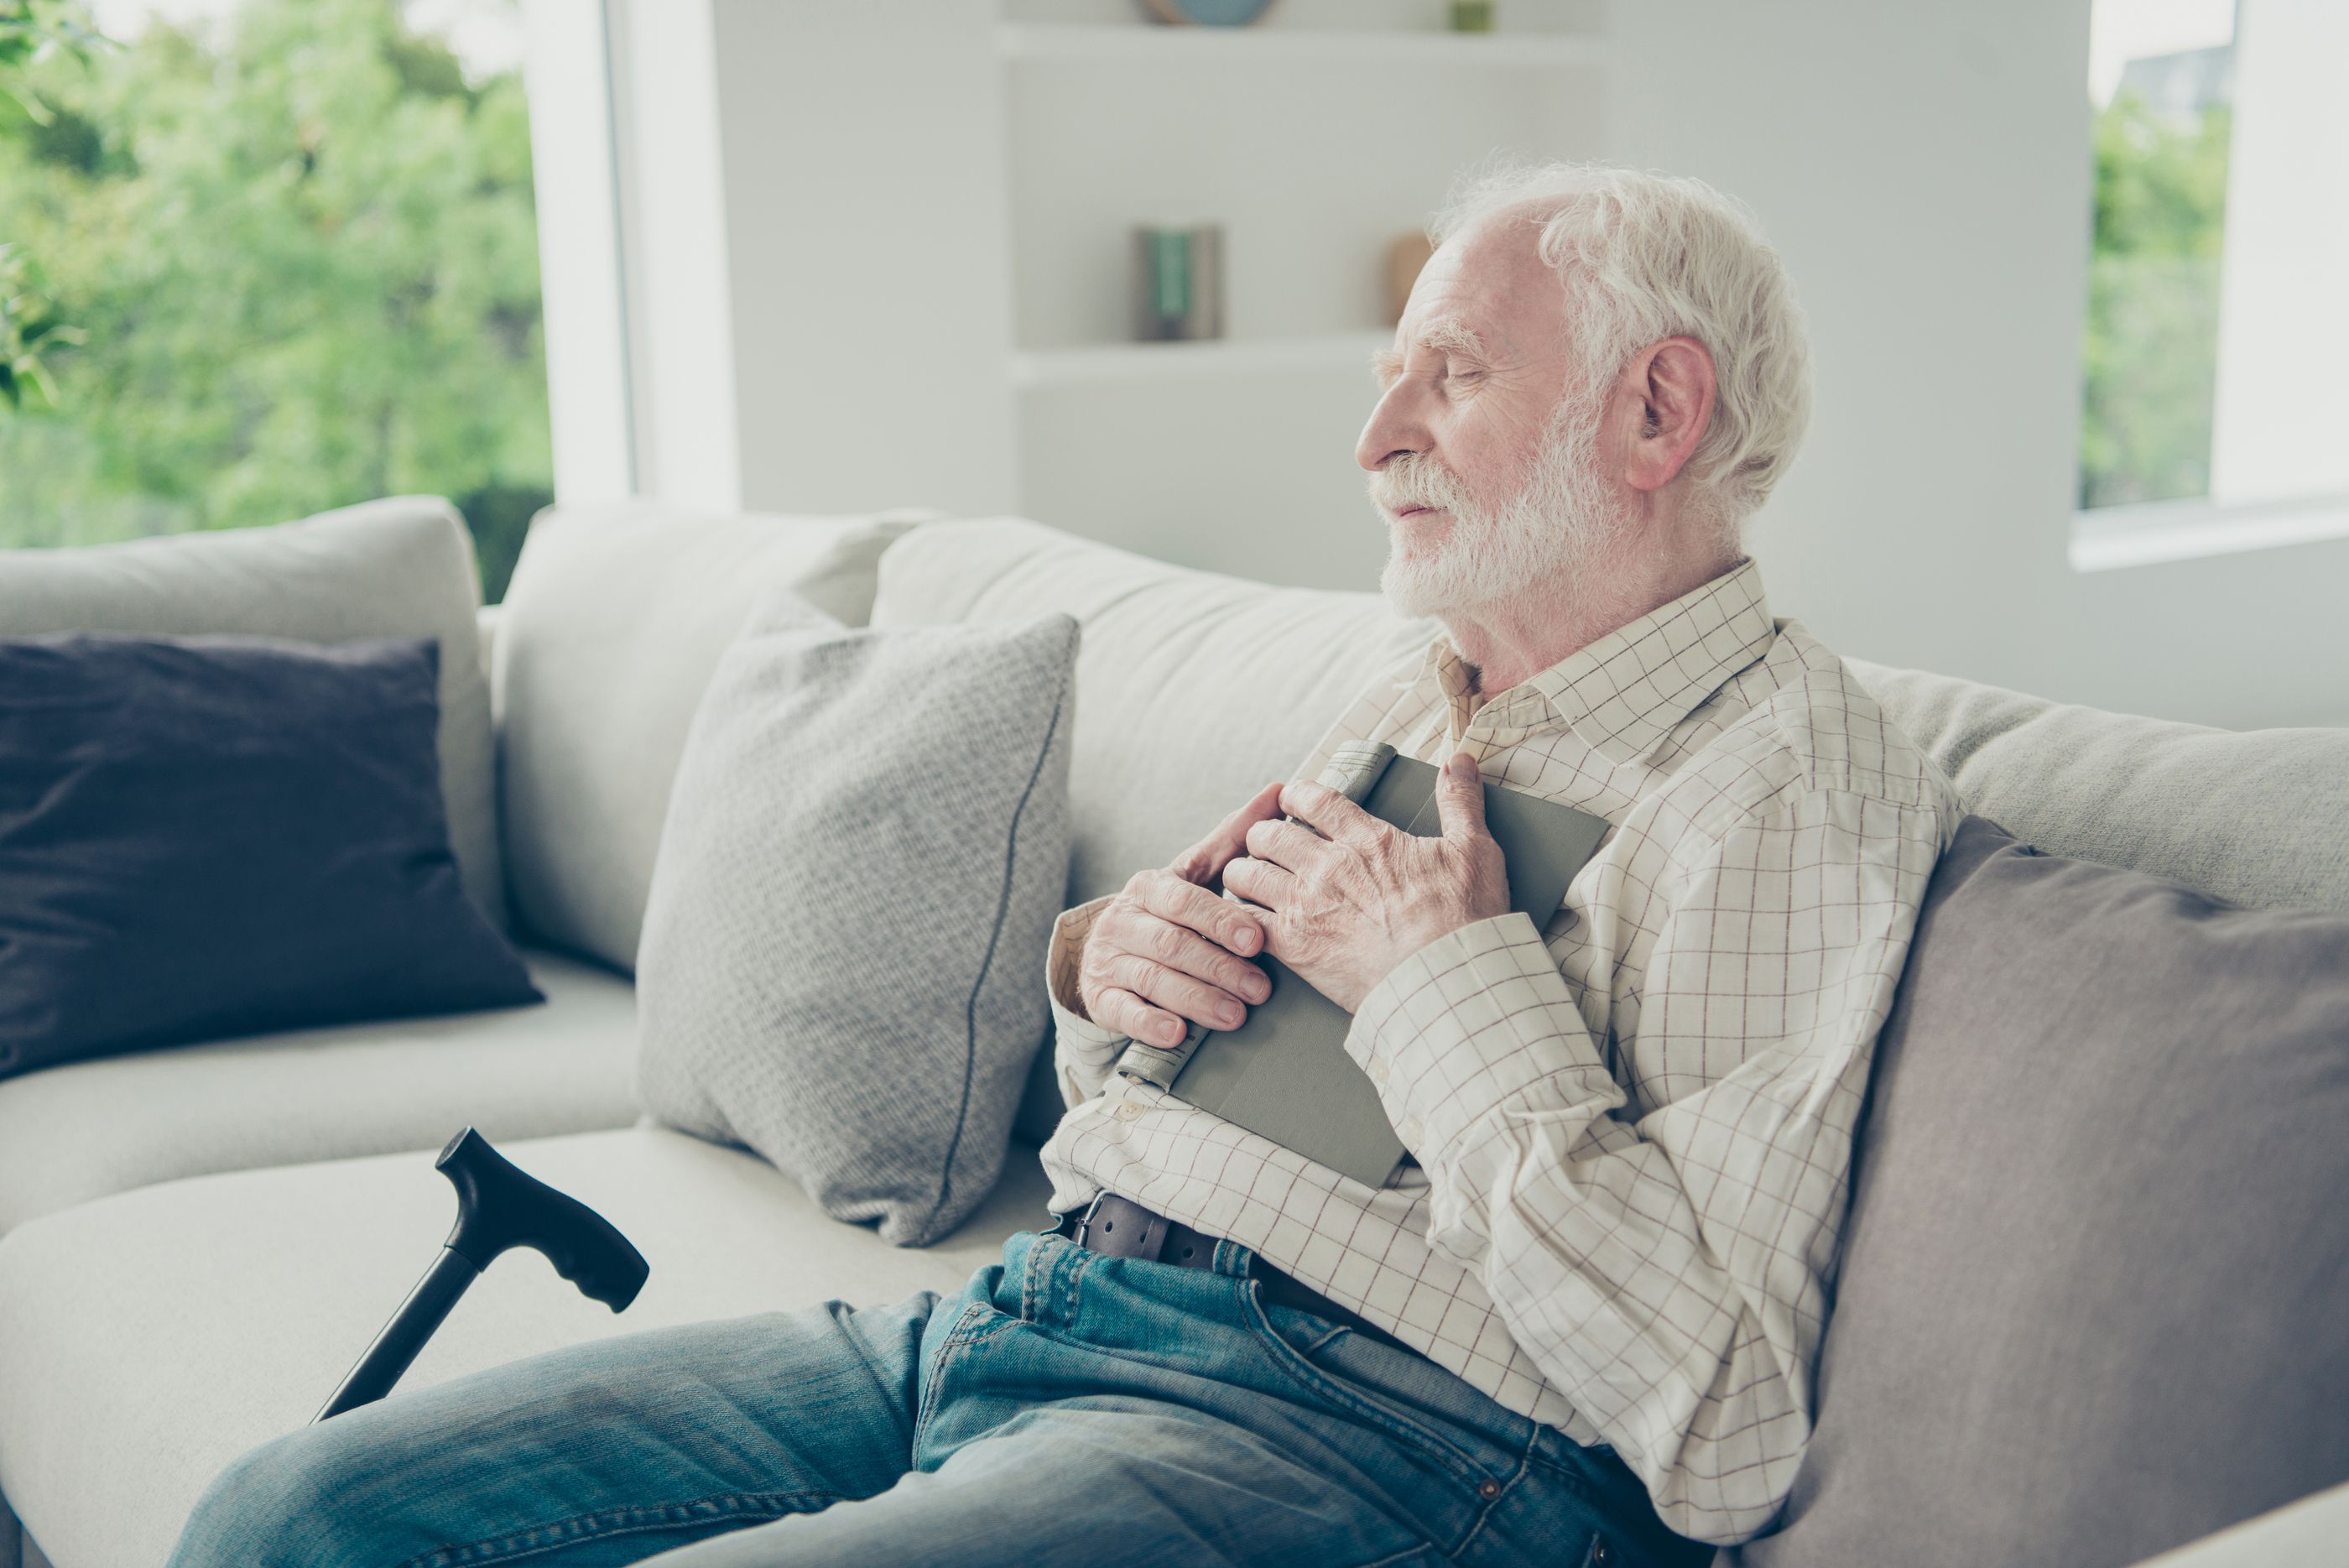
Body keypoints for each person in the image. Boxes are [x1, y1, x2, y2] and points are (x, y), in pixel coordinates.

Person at [169, 161, 1958, 1568]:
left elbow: (1717, 1426)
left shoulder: (1783, 779)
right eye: (1384, 374)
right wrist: (1106, 971)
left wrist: (1437, 986)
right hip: (1029, 1304)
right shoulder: (1415, 685)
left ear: (1654, 413)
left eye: (1453, 371)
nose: (1372, 437)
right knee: (289, 1522)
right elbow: (1189, 1077)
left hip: (1373, 1434)